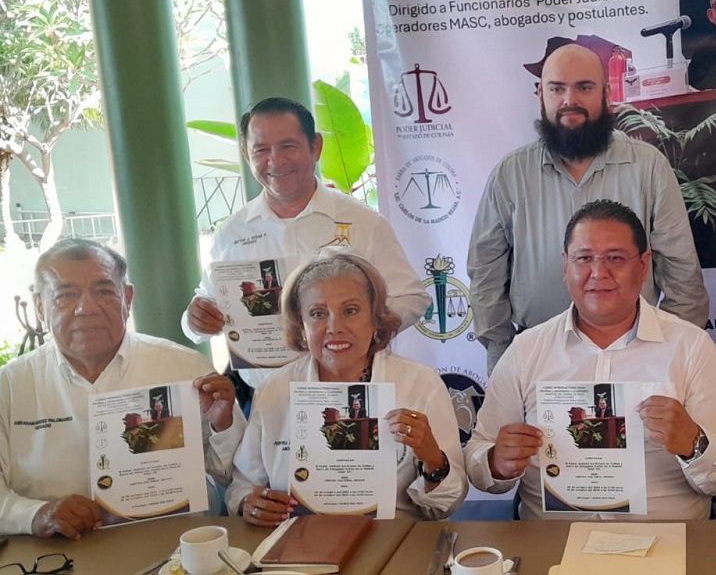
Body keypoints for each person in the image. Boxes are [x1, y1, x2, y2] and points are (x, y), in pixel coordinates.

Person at [465, 200, 716, 520]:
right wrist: (497, 463)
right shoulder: (526, 350)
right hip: (552, 543)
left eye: (615, 258)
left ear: (643, 266)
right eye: (584, 258)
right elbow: (478, 460)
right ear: (566, 266)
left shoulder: (690, 347)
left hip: (664, 540)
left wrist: (694, 444)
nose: (599, 273)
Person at [468, 44, 708, 375]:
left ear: (606, 94)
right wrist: (502, 355)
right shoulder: (510, 174)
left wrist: (670, 355)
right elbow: (486, 275)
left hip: (635, 359)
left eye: (584, 87)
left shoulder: (648, 166)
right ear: (540, 95)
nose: (570, 100)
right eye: (557, 89)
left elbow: (682, 274)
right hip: (537, 360)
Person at [182, 97, 430, 398]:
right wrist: (196, 319)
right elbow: (206, 303)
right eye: (261, 150)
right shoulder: (231, 232)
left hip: (351, 395)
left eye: (288, 146)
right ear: (247, 155)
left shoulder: (363, 222)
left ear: (316, 146)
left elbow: (412, 298)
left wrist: (365, 324)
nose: (275, 161)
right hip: (266, 398)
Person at [0, 239, 245, 538]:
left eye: (103, 292)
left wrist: (223, 425)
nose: (86, 308)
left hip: (178, 546)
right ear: (40, 306)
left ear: (127, 298)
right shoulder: (10, 386)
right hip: (57, 552)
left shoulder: (186, 368)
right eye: (66, 295)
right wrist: (34, 515)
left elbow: (236, 475)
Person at [227, 251, 466, 522]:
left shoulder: (420, 384)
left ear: (375, 319)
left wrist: (432, 459)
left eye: (350, 311)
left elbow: (446, 505)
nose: (334, 327)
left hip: (393, 539)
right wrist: (250, 503)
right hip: (299, 539)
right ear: (301, 327)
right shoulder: (274, 389)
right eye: (317, 314)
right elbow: (241, 486)